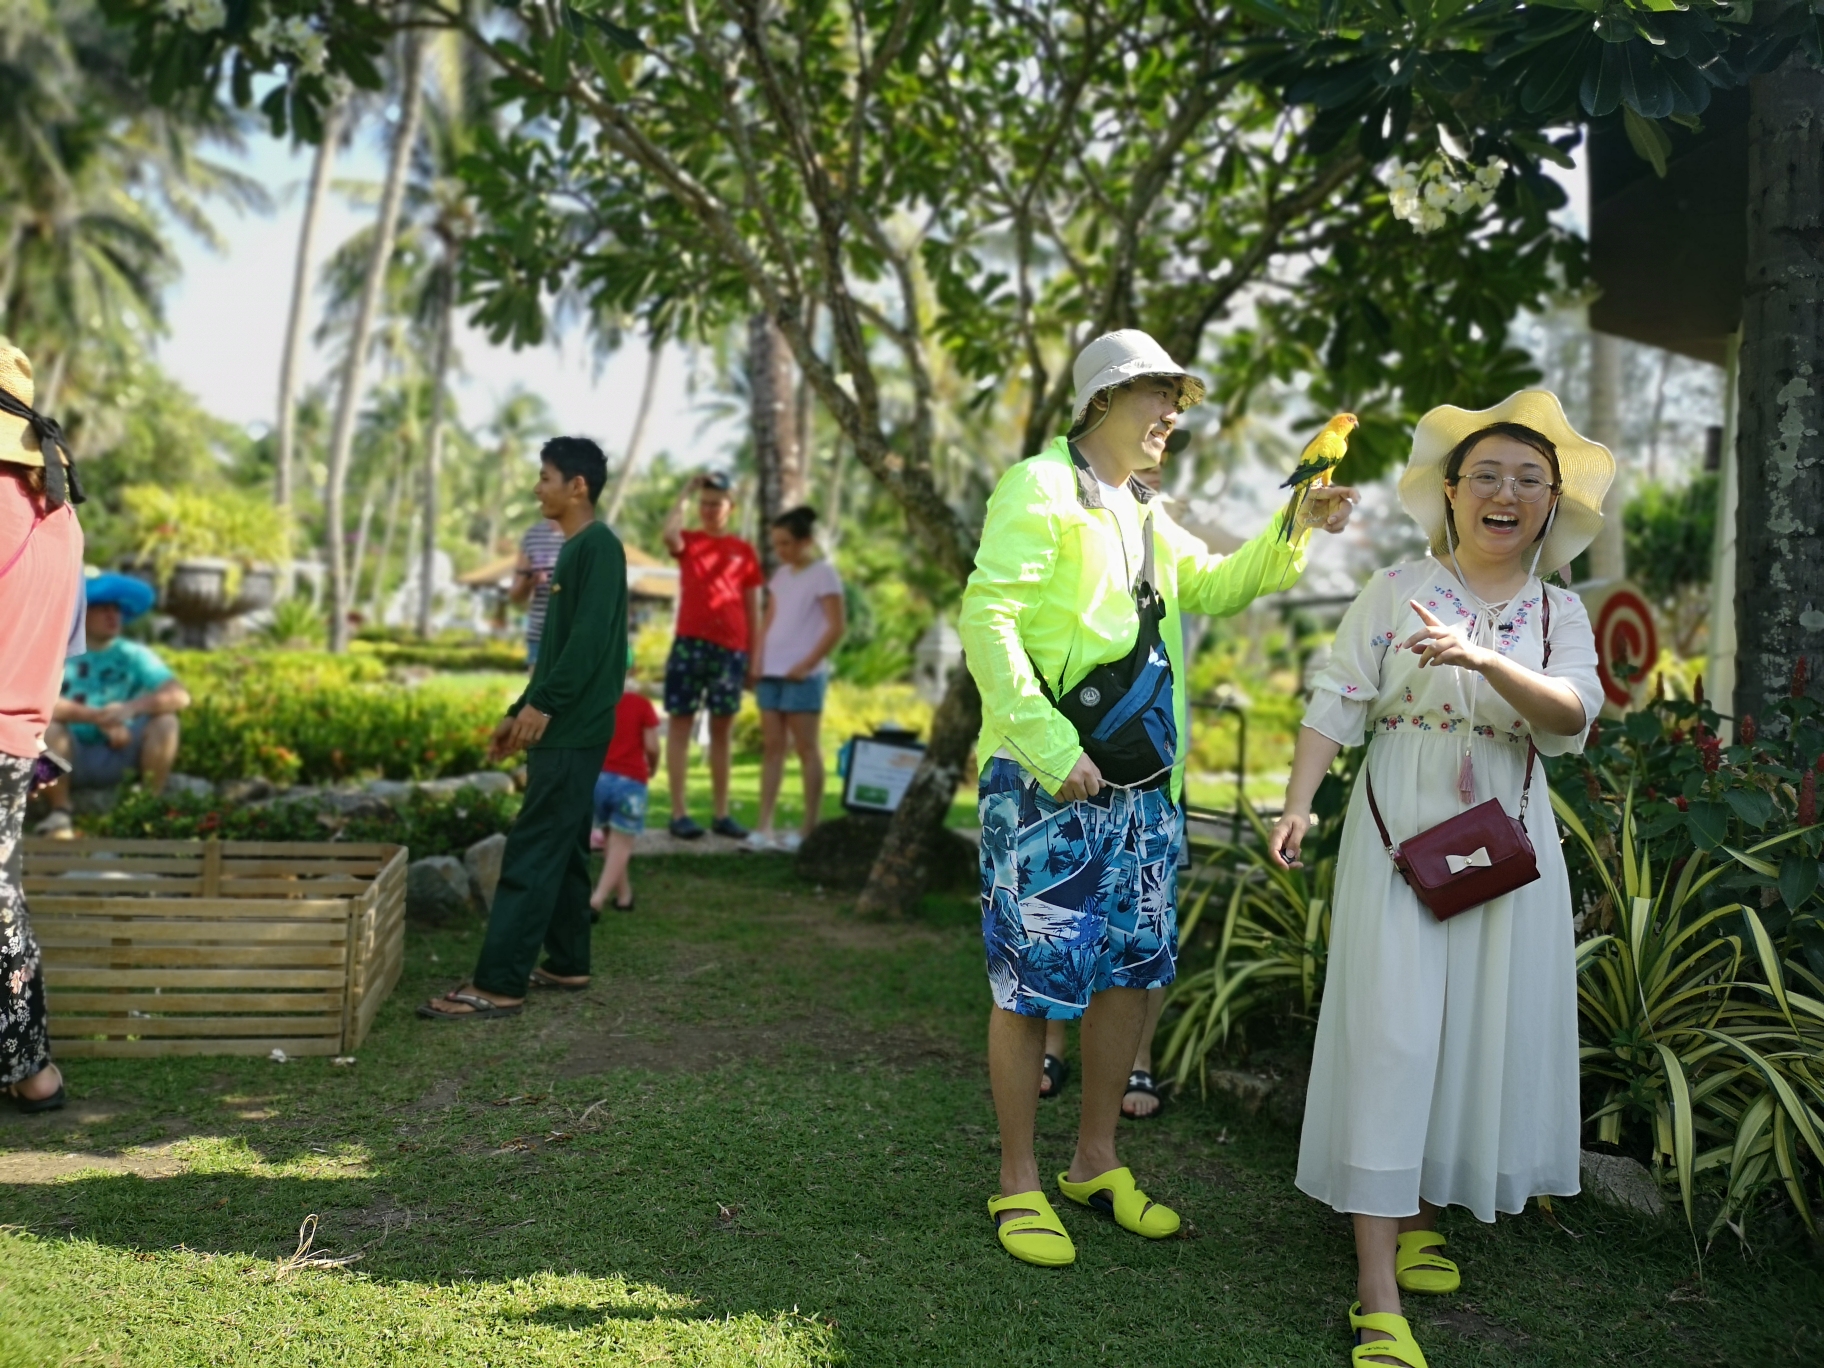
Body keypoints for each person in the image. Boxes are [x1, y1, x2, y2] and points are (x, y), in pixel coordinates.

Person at [959, 330, 1356, 1268]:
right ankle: (1018, 1181)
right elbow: (989, 617)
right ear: (1104, 400)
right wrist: (1051, 748)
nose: (1174, 414)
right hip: (1049, 783)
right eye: (1159, 397)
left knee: (1132, 972)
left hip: (1142, 785)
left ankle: (1095, 1162)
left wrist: (1300, 522)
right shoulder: (1039, 488)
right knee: (1031, 985)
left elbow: (1217, 585)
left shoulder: (1143, 507)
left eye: (1179, 398)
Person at [1266, 392, 1609, 1368]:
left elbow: (1571, 718)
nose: (1506, 492)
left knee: (1467, 1034)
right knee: (1394, 1034)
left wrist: (1482, 657)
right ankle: (1379, 1295)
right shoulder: (1390, 589)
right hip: (1395, 827)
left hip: (1506, 836)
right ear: (1451, 493)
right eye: (1486, 475)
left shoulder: (1557, 612)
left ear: (1550, 505)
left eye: (1528, 480)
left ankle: (1416, 1213)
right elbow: (1337, 699)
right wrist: (1297, 801)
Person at [419, 437, 628, 1020]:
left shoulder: (599, 547)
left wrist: (548, 706)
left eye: (545, 477)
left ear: (576, 486)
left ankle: (499, 983)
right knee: (561, 850)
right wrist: (519, 709)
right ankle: (567, 961)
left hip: (572, 728)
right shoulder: (573, 550)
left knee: (533, 851)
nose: (537, 487)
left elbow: (589, 642)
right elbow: (557, 650)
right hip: (564, 723)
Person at [0, 341, 86, 1113]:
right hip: (19, 735)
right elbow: (69, 641)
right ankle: (33, 1074)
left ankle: (34, 1073)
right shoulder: (59, 514)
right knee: (0, 897)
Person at [35, 573, 191, 836]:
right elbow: (36, 703)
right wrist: (98, 718)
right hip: (71, 755)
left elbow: (180, 696)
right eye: (103, 609)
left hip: (124, 751)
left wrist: (130, 709)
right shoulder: (56, 652)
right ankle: (60, 813)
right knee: (45, 728)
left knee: (167, 721)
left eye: (117, 610)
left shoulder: (134, 654)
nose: (113, 616)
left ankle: (147, 809)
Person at [660, 470, 764, 840]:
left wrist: (754, 658)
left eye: (715, 504)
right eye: (704, 504)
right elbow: (667, 533)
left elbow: (753, 608)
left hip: (731, 650)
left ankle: (721, 814)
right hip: (689, 643)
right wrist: (686, 490)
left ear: (730, 507)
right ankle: (678, 813)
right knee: (680, 725)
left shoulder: (744, 551)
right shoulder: (688, 542)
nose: (708, 510)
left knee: (723, 730)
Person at [747, 505, 844, 853]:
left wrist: (806, 664)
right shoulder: (781, 577)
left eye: (787, 543)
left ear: (805, 541)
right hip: (771, 673)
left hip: (803, 676)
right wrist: (757, 660)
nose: (781, 551)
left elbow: (836, 626)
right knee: (772, 749)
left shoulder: (824, 574)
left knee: (806, 749)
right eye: (776, 545)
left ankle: (808, 831)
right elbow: (769, 620)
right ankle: (763, 828)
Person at [590, 664, 661, 915]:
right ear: (629, 672)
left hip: (598, 781)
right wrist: (653, 767)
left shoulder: (597, 704)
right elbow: (652, 746)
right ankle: (597, 898)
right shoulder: (641, 705)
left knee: (612, 839)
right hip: (630, 783)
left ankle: (624, 896)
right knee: (622, 844)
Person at [510, 514, 566, 669]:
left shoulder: (588, 534)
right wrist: (528, 582)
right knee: (539, 692)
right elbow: (515, 597)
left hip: (578, 637)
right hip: (540, 636)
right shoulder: (533, 536)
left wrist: (556, 586)